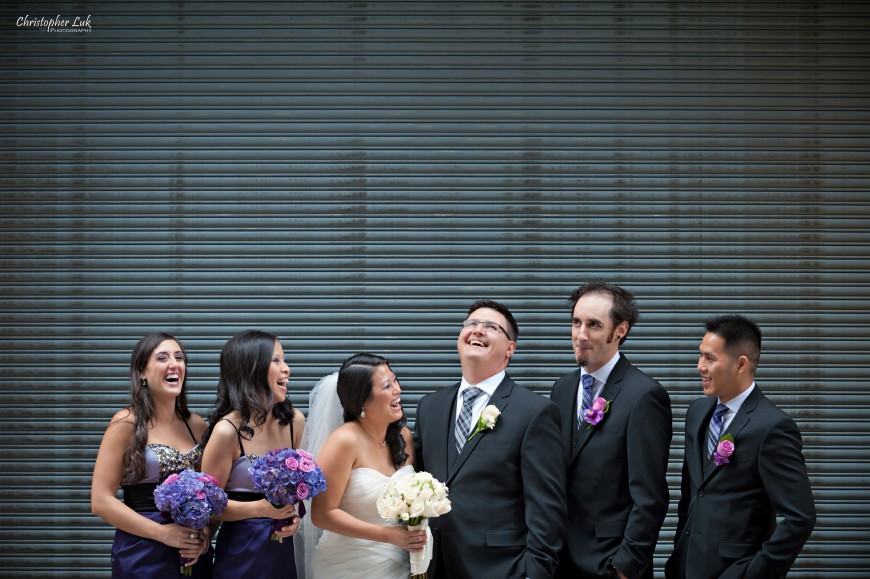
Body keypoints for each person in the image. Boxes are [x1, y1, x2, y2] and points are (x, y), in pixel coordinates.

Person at [414, 299, 566, 579]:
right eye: (471, 323)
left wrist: (534, 572)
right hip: (434, 565)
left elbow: (547, 506)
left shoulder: (534, 412)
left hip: (501, 567)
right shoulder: (430, 407)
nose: (478, 330)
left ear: (510, 348)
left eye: (491, 327)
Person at [665, 314, 816, 579]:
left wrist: (755, 572)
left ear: (740, 364)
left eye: (710, 359)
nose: (700, 366)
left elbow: (800, 517)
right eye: (700, 356)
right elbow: (691, 496)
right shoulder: (697, 413)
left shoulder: (772, 427)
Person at [550, 281, 672, 579]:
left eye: (593, 325)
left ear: (620, 330)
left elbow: (650, 496)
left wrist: (625, 567)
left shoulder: (644, 396)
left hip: (608, 562)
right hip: (557, 561)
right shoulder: (562, 390)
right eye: (576, 322)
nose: (580, 335)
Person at [91, 332, 213, 577]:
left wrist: (204, 537)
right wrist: (163, 533)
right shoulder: (126, 423)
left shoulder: (198, 425)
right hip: (142, 552)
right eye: (162, 358)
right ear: (142, 373)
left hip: (190, 555)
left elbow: (214, 492)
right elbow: (100, 501)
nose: (174, 364)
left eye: (179, 357)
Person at [308, 353, 427, 579]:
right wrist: (387, 535)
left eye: (395, 380)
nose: (397, 390)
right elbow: (322, 514)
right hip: (349, 564)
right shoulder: (344, 441)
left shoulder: (403, 437)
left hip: (400, 563)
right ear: (363, 401)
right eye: (386, 386)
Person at [201, 330, 306, 578]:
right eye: (276, 361)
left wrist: (295, 516)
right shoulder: (228, 431)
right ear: (252, 369)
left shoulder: (295, 422)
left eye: (285, 360)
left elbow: (300, 493)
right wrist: (261, 509)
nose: (286, 369)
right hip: (241, 554)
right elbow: (209, 507)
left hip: (283, 554)